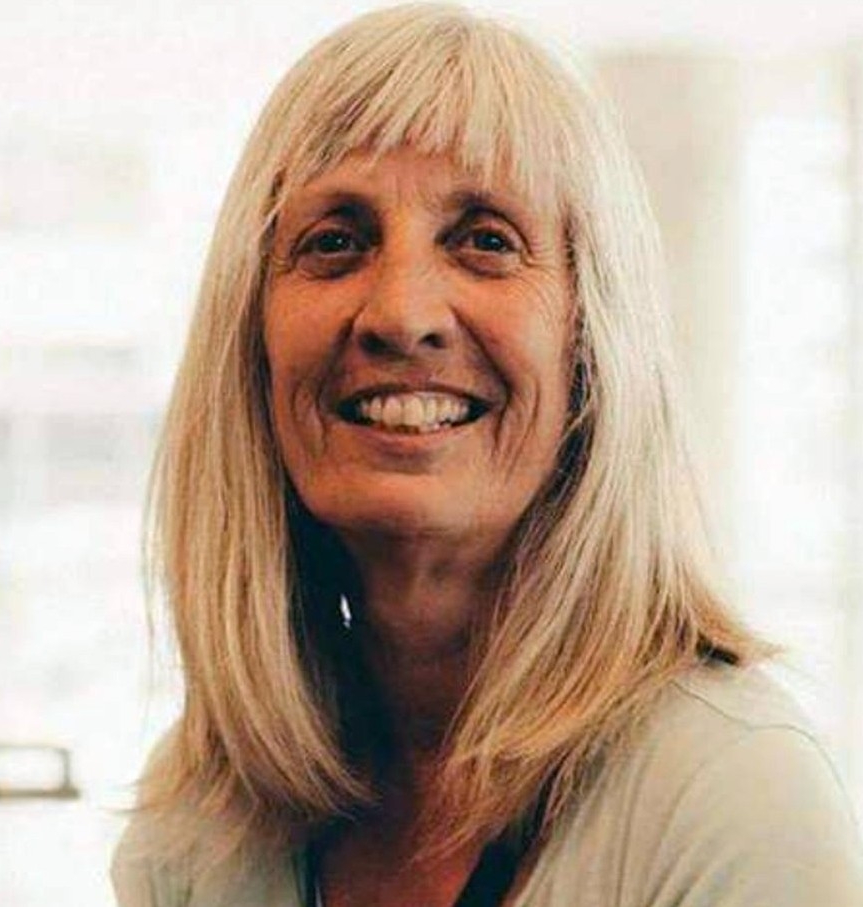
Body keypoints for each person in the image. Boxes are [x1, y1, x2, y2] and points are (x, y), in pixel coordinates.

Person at [111, 4, 863, 906]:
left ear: (591, 347)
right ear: (254, 345)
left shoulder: (728, 793)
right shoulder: (200, 822)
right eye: (336, 240)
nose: (401, 313)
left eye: (486, 241)